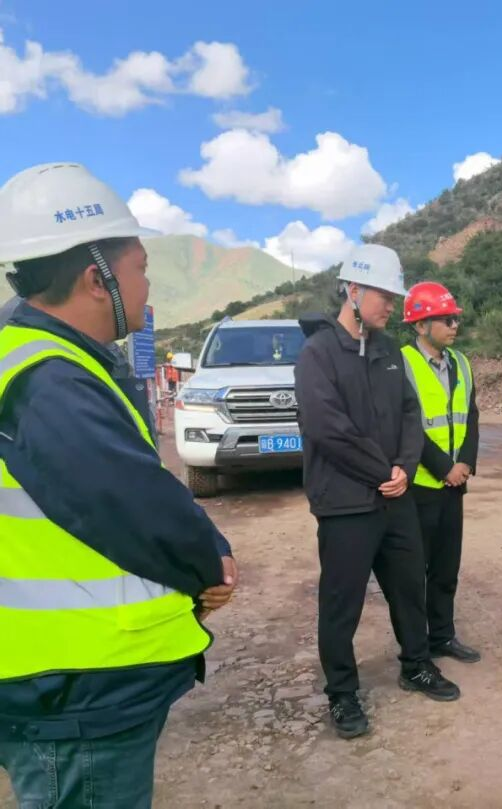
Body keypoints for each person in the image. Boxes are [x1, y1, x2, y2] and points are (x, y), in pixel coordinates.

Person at [0, 163, 237, 807]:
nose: (147, 285)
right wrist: (210, 562)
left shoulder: (47, 360)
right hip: (75, 693)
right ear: (95, 279)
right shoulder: (49, 380)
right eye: (141, 269)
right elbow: (132, 504)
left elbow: (136, 482)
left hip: (66, 684)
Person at [294, 243, 460, 740]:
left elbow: (411, 413)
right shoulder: (318, 354)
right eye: (384, 295)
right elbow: (328, 429)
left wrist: (404, 468)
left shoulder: (388, 351)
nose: (392, 305)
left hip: (394, 496)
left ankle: (417, 665)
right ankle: (342, 693)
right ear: (352, 290)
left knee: (409, 587)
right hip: (345, 502)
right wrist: (382, 471)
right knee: (341, 602)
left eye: (394, 296)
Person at [400, 281, 481, 663]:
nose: (454, 326)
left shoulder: (461, 362)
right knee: (413, 572)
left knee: (447, 569)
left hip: (453, 485)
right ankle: (417, 649)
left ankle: (443, 636)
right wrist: (444, 467)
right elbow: (406, 426)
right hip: (419, 486)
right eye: (446, 320)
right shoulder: (402, 363)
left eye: (455, 319)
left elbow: (471, 417)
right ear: (420, 325)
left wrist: (464, 464)